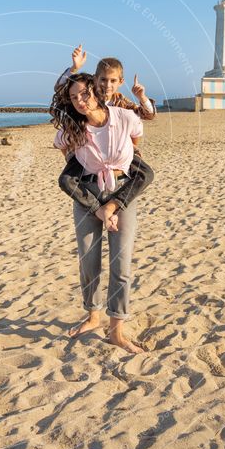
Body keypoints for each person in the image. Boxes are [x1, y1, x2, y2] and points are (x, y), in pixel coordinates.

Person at [50, 72, 146, 354]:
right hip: (86, 196)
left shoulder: (123, 117)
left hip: (121, 194)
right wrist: (78, 166)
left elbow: (136, 143)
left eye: (84, 93)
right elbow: (61, 149)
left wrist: (115, 192)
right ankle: (93, 316)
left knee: (121, 266)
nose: (80, 101)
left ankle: (116, 331)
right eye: (73, 97)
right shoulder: (72, 128)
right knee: (89, 261)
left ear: (95, 90)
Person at [54, 46, 155, 230]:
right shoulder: (88, 96)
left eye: (112, 81)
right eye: (103, 80)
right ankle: (94, 206)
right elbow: (63, 90)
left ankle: (115, 204)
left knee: (145, 173)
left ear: (120, 82)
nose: (107, 85)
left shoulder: (120, 101)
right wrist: (74, 68)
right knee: (67, 179)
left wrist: (142, 97)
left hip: (118, 153)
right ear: (94, 80)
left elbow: (146, 115)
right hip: (87, 148)